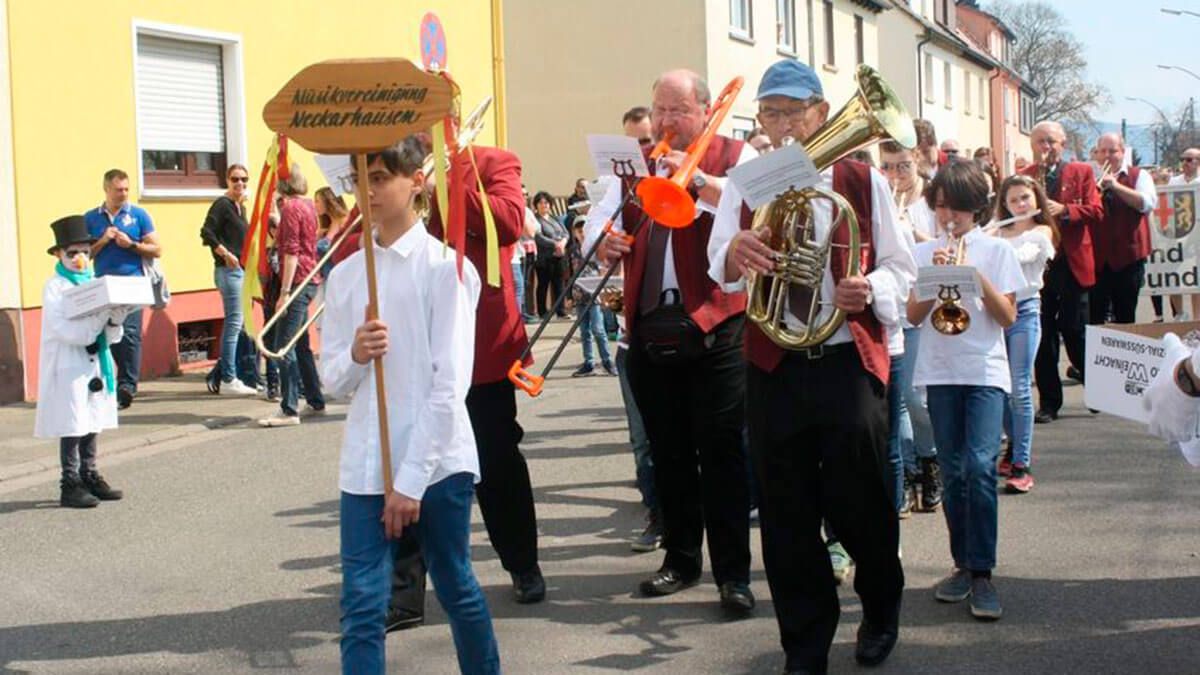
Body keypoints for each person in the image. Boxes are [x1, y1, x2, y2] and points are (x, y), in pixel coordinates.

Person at [708, 60, 916, 672]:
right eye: (770, 112)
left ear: (821, 114)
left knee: (863, 502)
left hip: (847, 360)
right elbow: (716, 263)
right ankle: (805, 644)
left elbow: (902, 271)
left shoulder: (862, 178)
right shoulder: (747, 180)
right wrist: (734, 251)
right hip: (775, 363)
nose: (780, 123)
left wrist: (869, 290)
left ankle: (880, 606)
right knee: (785, 512)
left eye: (792, 110)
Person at [320, 136, 500, 675]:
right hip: (367, 464)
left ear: (416, 181)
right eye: (358, 180)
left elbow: (450, 386)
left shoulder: (448, 270)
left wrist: (410, 482)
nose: (367, 191)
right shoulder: (349, 273)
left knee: (455, 585)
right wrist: (355, 352)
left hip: (436, 463)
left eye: (379, 177)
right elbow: (331, 380)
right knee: (361, 604)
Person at [587, 68, 757, 617]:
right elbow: (596, 219)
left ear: (705, 110)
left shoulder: (735, 154)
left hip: (717, 325)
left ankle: (733, 574)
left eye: (677, 111)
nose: (664, 121)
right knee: (670, 454)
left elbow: (752, 202)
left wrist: (697, 181)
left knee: (723, 454)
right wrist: (603, 240)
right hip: (651, 326)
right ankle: (682, 560)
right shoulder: (634, 161)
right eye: (659, 110)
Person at [386, 134, 546, 635]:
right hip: (412, 344)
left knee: (497, 462)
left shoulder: (492, 161)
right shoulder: (388, 170)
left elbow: (508, 223)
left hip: (481, 345)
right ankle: (405, 594)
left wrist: (447, 185)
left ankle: (522, 564)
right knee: (411, 467)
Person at [907, 160, 1024, 622]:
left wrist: (975, 277)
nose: (947, 218)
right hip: (939, 370)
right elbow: (914, 316)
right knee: (953, 470)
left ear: (976, 208)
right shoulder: (924, 253)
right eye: (939, 208)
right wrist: (932, 280)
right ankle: (962, 563)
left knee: (978, 466)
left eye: (955, 208)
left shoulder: (997, 251)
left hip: (984, 370)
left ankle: (983, 572)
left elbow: (1008, 317)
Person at [35, 216, 128, 509]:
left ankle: (89, 474)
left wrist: (115, 319)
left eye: (84, 253)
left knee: (92, 417)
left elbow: (109, 335)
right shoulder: (55, 287)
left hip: (94, 362)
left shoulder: (95, 284)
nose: (79, 259)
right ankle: (70, 482)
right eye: (72, 253)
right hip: (70, 362)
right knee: (73, 421)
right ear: (58, 255)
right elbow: (63, 328)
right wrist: (97, 324)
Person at [1021, 121, 1103, 424]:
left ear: (1063, 144)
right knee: (1043, 335)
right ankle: (1049, 403)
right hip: (1039, 263)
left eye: (1051, 142)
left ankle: (1095, 388)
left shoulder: (1081, 171)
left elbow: (1096, 210)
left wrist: (1065, 210)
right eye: (1041, 142)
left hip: (1072, 262)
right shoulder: (1026, 177)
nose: (1046, 147)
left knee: (1074, 329)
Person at [880, 139, 941, 513]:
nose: (896, 174)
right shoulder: (881, 196)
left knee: (917, 400)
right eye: (888, 166)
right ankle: (904, 476)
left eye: (903, 165)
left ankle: (930, 461)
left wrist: (913, 234)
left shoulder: (929, 203)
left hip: (921, 309)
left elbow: (946, 247)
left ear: (916, 160)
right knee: (897, 400)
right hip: (892, 311)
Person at [989, 175, 1058, 494]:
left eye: (1025, 198)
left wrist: (988, 247)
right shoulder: (996, 229)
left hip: (1026, 309)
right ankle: (1014, 441)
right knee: (999, 386)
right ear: (1004, 203)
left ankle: (1022, 463)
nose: (1020, 204)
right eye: (1014, 200)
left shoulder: (1041, 231)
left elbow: (1023, 257)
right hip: (995, 311)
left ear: (1036, 200)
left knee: (1019, 384)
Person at [85, 169, 161, 410]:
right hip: (105, 285)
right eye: (119, 190)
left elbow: (157, 249)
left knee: (130, 333)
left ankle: (127, 385)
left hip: (133, 282)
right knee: (110, 334)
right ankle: (115, 381)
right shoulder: (91, 217)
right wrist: (103, 240)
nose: (124, 194)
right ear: (106, 189)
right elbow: (83, 255)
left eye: (127, 189)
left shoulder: (138, 215)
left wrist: (132, 245)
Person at [258, 165, 326, 427]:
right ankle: (314, 399)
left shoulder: (290, 208)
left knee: (282, 346)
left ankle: (289, 409)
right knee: (300, 344)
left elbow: (291, 253)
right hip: (311, 277)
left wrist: (284, 292)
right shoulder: (307, 205)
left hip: (297, 281)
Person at [200, 165, 256, 396]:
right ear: (227, 179)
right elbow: (206, 232)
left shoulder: (239, 207)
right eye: (235, 179)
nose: (240, 183)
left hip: (241, 271)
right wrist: (225, 253)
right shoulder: (222, 204)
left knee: (241, 325)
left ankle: (233, 375)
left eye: (244, 179)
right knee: (234, 324)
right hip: (228, 271)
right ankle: (228, 379)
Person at [1090, 133, 1156, 326]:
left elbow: (1146, 203)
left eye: (1113, 151)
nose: (1107, 156)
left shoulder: (1139, 175)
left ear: (1122, 152)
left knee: (1125, 316)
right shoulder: (1089, 176)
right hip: (1097, 259)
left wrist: (1116, 186)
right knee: (1095, 317)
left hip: (1128, 258)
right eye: (1102, 151)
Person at [568, 217, 615, 376]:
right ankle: (589, 362)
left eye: (583, 230)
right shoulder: (573, 250)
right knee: (584, 331)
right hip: (579, 294)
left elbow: (604, 267)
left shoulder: (595, 247)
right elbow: (570, 272)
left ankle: (607, 360)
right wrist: (569, 295)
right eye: (578, 230)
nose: (581, 233)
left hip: (593, 295)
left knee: (598, 329)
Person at [1163, 148, 1200, 321]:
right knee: (1172, 275)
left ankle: (1197, 319)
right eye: (1182, 159)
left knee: (1196, 279)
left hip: (1198, 235)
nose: (1185, 163)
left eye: (1189, 159)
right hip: (1178, 234)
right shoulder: (1174, 181)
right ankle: (1180, 315)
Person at [532, 191, 569, 319]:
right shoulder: (535, 220)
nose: (544, 205)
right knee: (543, 284)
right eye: (541, 203)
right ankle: (543, 312)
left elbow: (566, 233)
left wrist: (563, 243)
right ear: (536, 205)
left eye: (546, 203)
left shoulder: (555, 218)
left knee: (559, 284)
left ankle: (561, 310)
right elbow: (538, 237)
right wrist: (556, 244)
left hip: (559, 256)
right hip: (544, 257)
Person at [314, 186, 350, 280]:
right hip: (328, 279)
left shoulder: (346, 222)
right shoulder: (326, 227)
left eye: (317, 201)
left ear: (328, 201)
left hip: (343, 278)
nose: (314, 205)